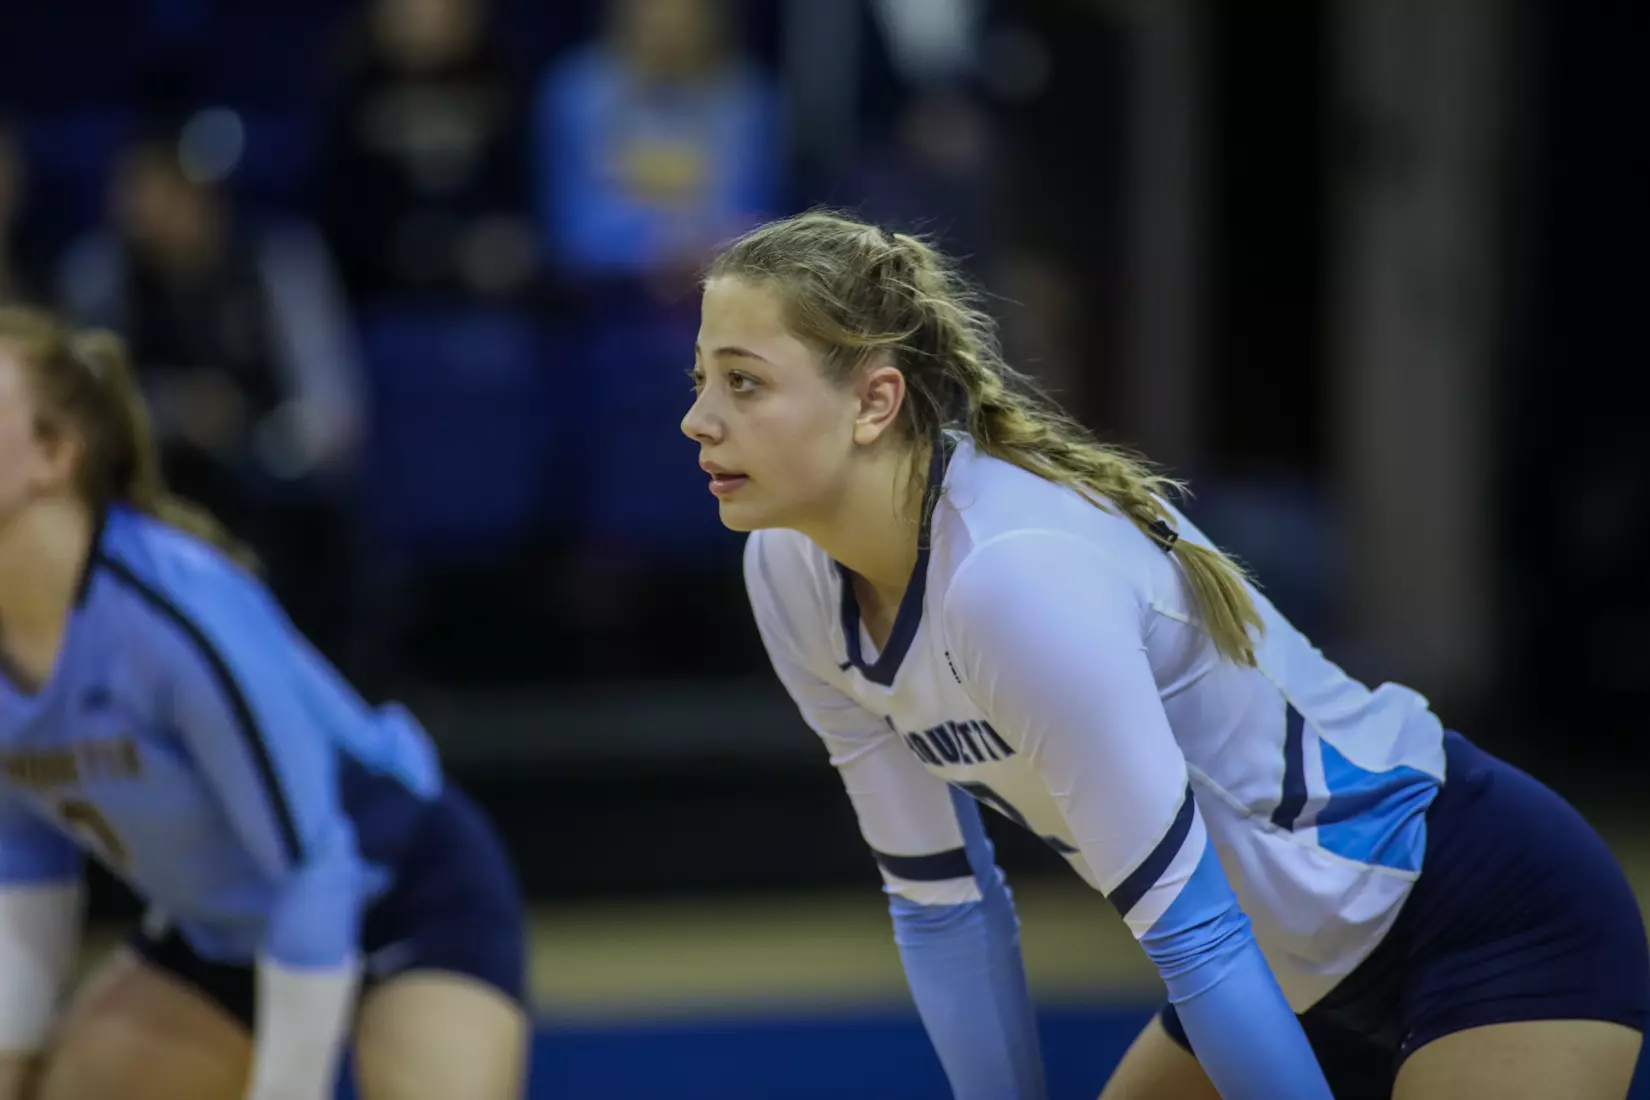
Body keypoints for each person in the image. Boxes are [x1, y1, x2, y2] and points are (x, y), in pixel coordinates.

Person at [679, 210, 1648, 1100]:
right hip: (1272, 965)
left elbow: (1198, 937)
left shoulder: (1013, 578)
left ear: (874, 401)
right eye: (701, 382)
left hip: (1473, 913)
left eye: (745, 381)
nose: (699, 419)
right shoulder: (791, 573)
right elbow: (943, 905)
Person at [0, 304, 527, 1100]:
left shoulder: (171, 615)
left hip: (400, 893)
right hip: (223, 937)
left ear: (53, 455)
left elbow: (314, 869)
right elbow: (27, 864)